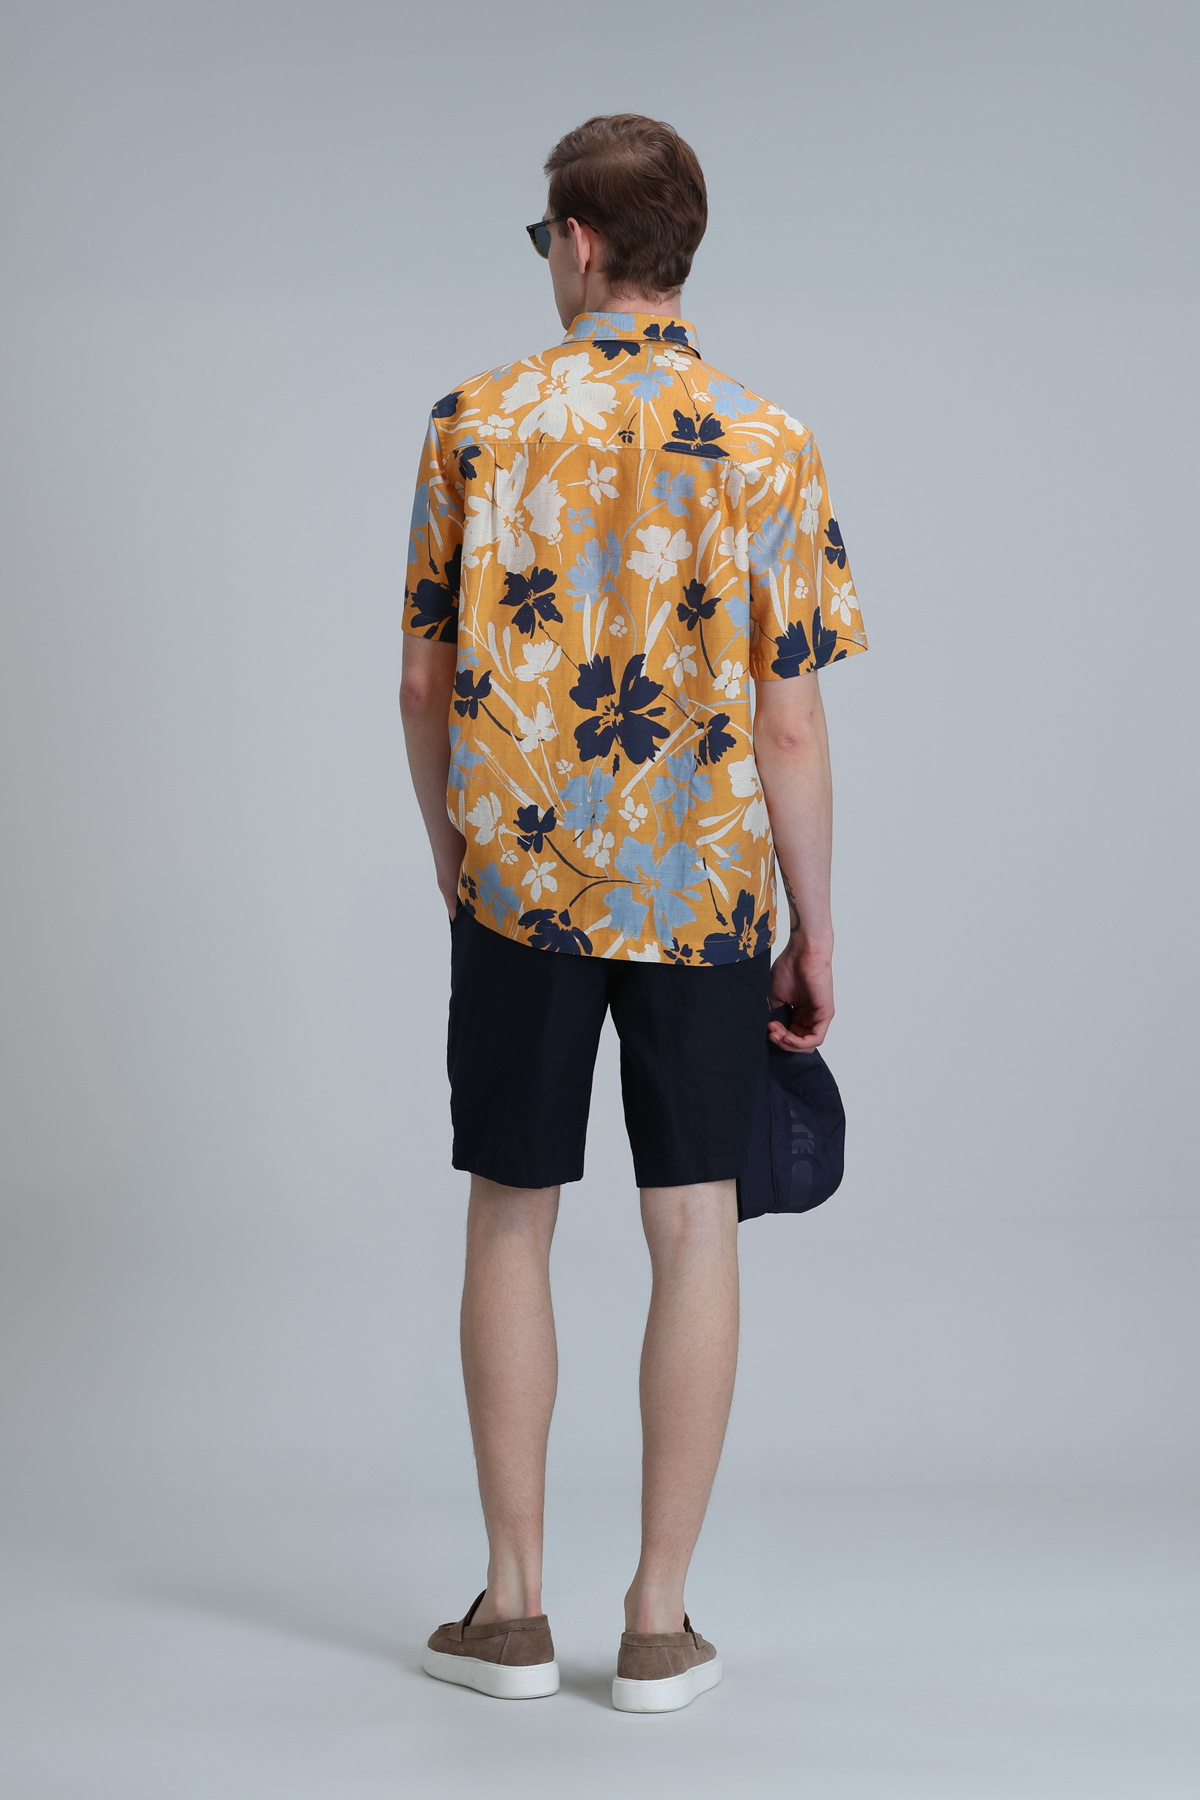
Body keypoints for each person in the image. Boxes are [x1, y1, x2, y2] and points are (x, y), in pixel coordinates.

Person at [400, 113, 866, 1713]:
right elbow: (788, 721)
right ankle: (659, 1622)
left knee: (511, 1213)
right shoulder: (768, 441)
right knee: (694, 1226)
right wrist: (812, 927)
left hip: (520, 883)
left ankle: (512, 1608)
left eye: (549, 239)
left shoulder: (472, 424)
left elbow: (423, 689)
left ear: (581, 243)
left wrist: (456, 858)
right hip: (703, 887)